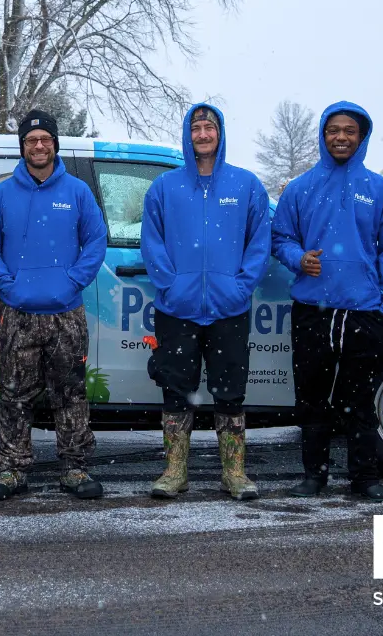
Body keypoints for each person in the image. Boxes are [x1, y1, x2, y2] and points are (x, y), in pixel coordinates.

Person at [271, 101, 383, 502]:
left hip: (364, 313)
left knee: (359, 401)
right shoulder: (300, 188)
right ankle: (314, 476)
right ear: (323, 135)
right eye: (334, 130)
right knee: (311, 398)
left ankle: (364, 478)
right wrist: (298, 258)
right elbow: (280, 238)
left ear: (361, 137)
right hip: (312, 311)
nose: (341, 137)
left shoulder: (379, 189)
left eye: (350, 131)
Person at [141, 103, 272, 500]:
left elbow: (259, 243)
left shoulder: (245, 185)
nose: (202, 134)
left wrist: (240, 287)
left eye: (208, 128)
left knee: (230, 391)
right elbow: (152, 242)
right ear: (188, 134)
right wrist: (170, 285)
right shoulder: (165, 187)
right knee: (175, 390)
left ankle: (234, 473)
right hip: (176, 309)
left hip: (229, 308)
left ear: (220, 133)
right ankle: (174, 471)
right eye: (196, 128)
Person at [0, 110, 108, 501]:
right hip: (18, 314)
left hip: (66, 313)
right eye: (31, 140)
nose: (38, 146)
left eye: (45, 139)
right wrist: (7, 285)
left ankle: (75, 468)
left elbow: (96, 240)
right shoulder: (3, 194)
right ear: (23, 147)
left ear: (55, 144)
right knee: (14, 395)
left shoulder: (77, 192)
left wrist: (72, 281)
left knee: (70, 394)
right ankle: (12, 469)